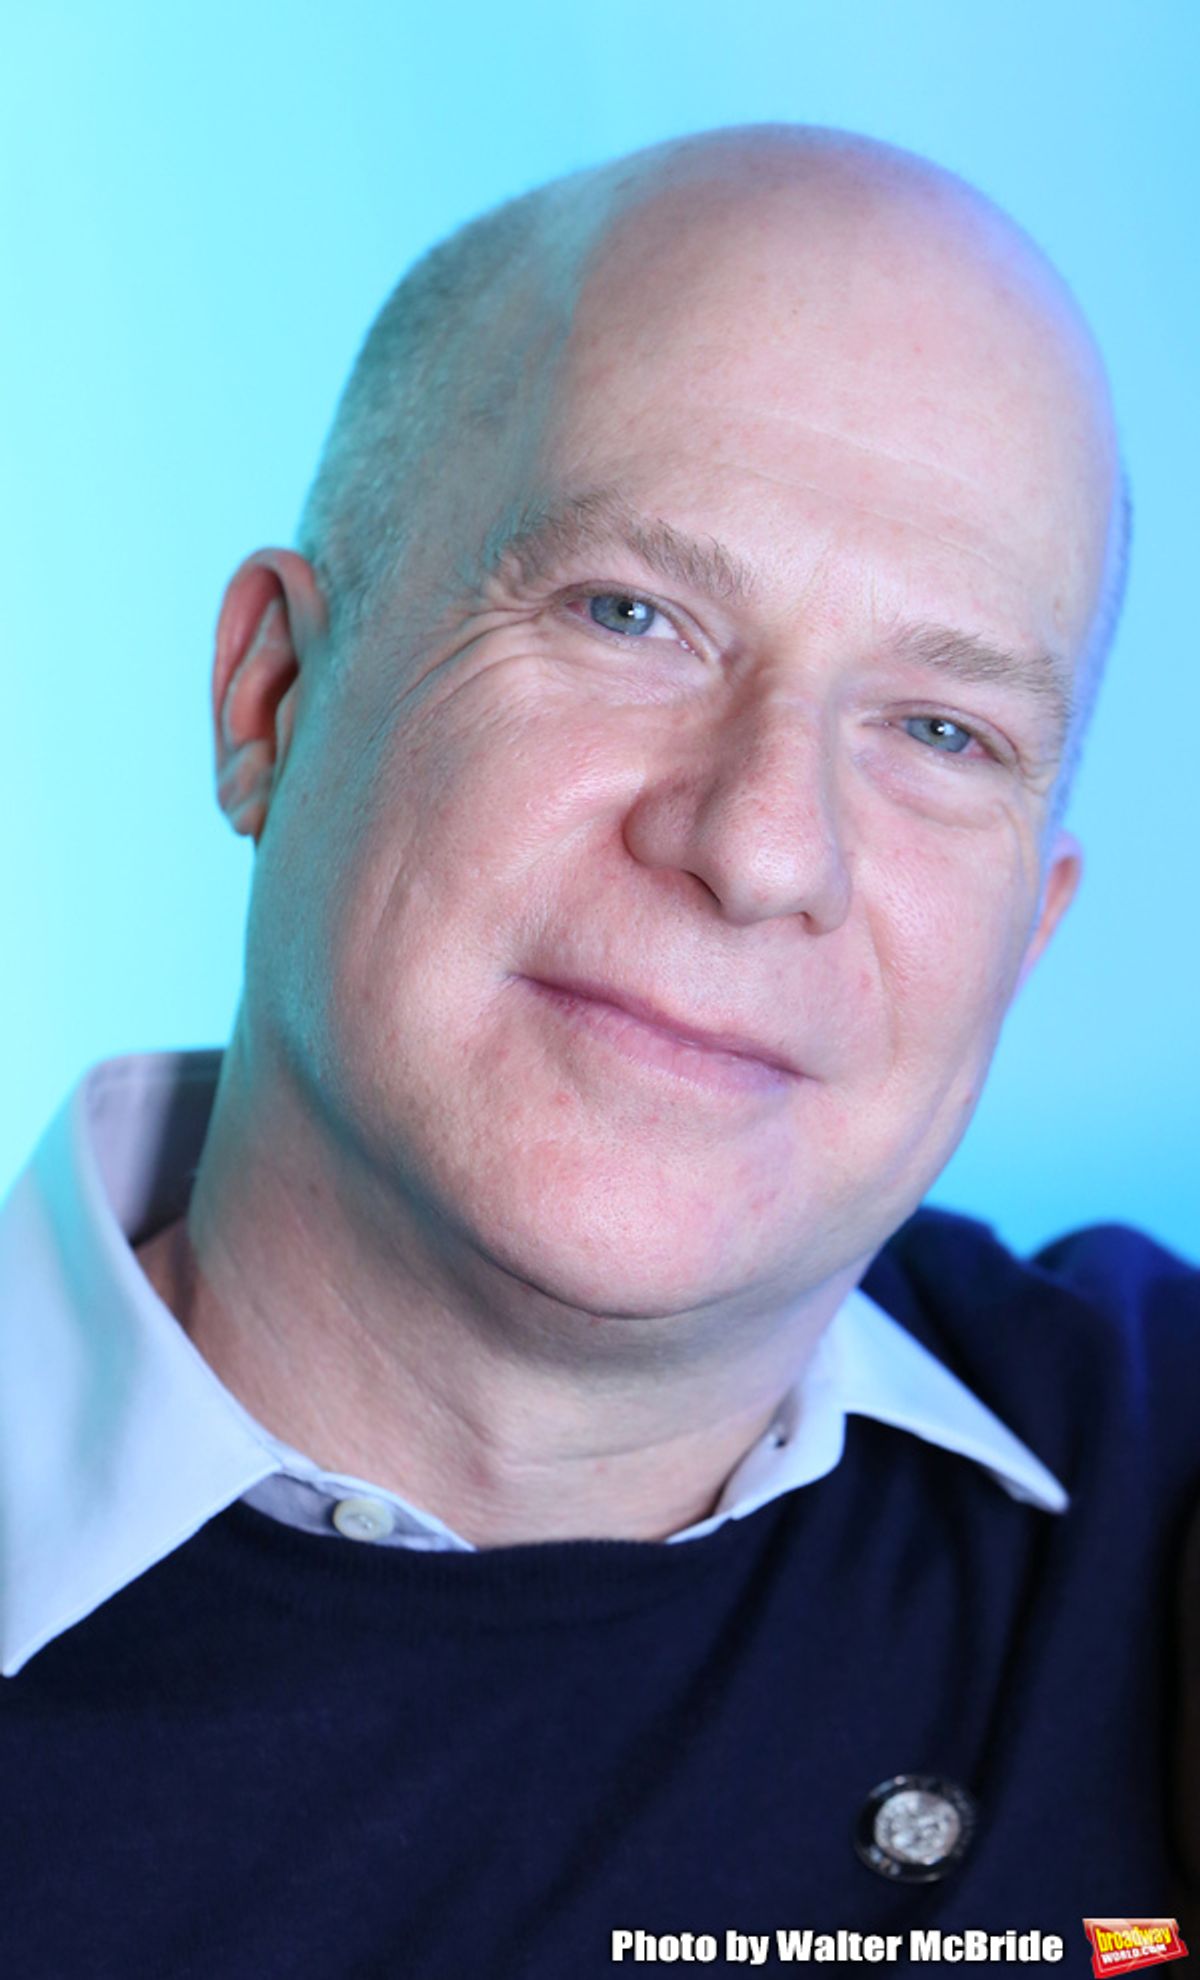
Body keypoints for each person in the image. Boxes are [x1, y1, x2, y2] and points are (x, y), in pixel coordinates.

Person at [1, 123, 1194, 1975]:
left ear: (1029, 941)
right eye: (630, 614)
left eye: (942, 731)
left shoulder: (1151, 1488)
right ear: (272, 698)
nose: (763, 846)